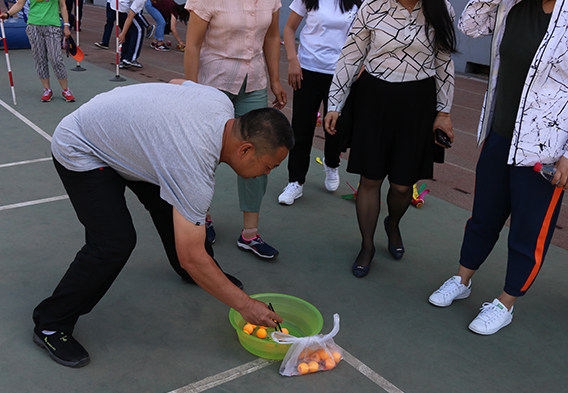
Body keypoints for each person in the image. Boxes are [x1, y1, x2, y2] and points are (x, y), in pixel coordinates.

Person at [31, 80, 294, 367]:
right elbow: (192, 255)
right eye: (268, 166)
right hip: (82, 146)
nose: (265, 173)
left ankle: (195, 275)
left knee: (177, 207)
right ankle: (51, 323)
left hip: (129, 145)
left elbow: (175, 83)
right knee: (114, 242)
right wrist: (244, 304)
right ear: (244, 149)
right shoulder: (191, 165)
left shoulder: (220, 102)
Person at [428, 0, 568, 335]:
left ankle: (506, 303)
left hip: (544, 150)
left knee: (528, 232)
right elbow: (469, 25)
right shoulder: (512, 6)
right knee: (484, 215)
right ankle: (462, 280)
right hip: (500, 132)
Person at [324, 0, 456, 277]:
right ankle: (367, 245)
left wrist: (444, 112)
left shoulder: (440, 8)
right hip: (374, 99)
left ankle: (392, 223)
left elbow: (444, 61)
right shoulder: (372, 6)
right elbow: (350, 56)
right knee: (370, 179)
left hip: (418, 103)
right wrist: (335, 103)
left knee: (401, 184)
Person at [184, 0, 287, 259]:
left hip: (253, 83)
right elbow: (193, 44)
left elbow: (273, 36)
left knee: (260, 154)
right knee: (205, 153)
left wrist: (275, 80)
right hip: (213, 83)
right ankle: (201, 216)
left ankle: (249, 233)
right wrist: (190, 90)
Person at [277, 0, 359, 206]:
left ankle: (332, 164)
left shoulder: (358, 2)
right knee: (301, 128)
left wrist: (360, 66)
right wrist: (293, 60)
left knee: (336, 128)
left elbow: (364, 36)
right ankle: (295, 181)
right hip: (307, 69)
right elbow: (289, 28)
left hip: (340, 72)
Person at [0, 0, 76, 102]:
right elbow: (19, 4)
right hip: (34, 26)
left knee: (56, 58)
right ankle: (47, 90)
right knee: (40, 58)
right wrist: (7, 14)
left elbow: (62, 5)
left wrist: (66, 26)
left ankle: (66, 90)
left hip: (53, 26)